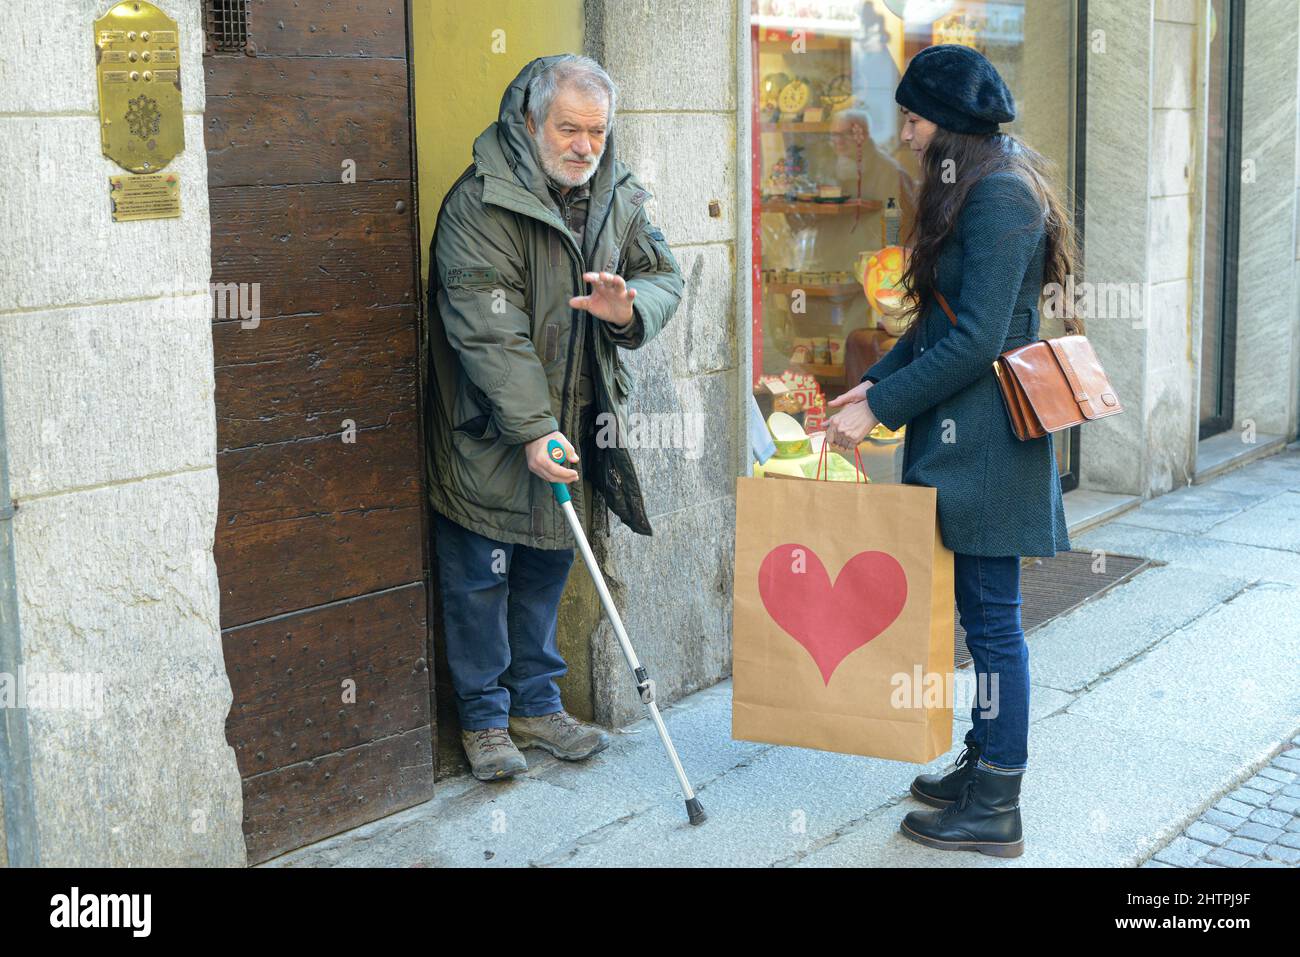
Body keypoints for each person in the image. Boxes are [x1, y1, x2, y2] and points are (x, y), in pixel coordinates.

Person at [824, 44, 1076, 857]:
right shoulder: (968, 184)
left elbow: (978, 340)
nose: (904, 129)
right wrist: (872, 389)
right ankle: (984, 760)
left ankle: (998, 800)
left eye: (914, 116)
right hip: (965, 439)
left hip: (994, 445)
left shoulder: (1001, 194)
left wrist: (883, 409)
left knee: (996, 624)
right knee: (980, 614)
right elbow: (936, 321)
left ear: (953, 124)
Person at [425, 55, 684, 781]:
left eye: (596, 131)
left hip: (575, 414)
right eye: (569, 128)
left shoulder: (616, 196)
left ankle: (536, 704)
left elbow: (665, 275)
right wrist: (535, 429)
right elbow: (487, 332)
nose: (584, 146)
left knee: (548, 559)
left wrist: (630, 307)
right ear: (531, 121)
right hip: (491, 426)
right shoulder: (480, 203)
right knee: (481, 572)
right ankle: (482, 717)